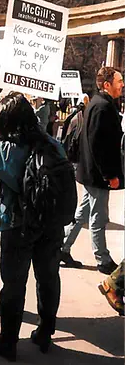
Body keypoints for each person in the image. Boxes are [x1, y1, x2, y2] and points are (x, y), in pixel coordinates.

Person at [0, 92, 67, 361]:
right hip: (51, 224)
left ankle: (8, 341)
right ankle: (45, 332)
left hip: (17, 224)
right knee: (48, 277)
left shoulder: (6, 150)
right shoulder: (53, 145)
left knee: (13, 283)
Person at [61, 67, 124, 273]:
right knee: (98, 218)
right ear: (107, 84)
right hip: (98, 175)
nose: (122, 84)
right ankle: (102, 259)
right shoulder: (102, 106)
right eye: (119, 81)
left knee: (82, 214)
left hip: (91, 172)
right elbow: (98, 145)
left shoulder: (100, 104)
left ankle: (62, 247)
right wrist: (110, 175)